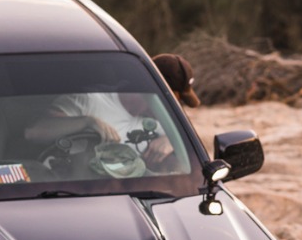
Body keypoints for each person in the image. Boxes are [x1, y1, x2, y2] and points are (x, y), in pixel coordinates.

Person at [24, 53, 198, 171]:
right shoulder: (90, 100)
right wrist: (87, 122)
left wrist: (173, 140)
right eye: (175, 101)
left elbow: (188, 161)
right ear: (153, 89)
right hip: (68, 190)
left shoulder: (163, 121)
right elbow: (34, 133)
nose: (175, 107)